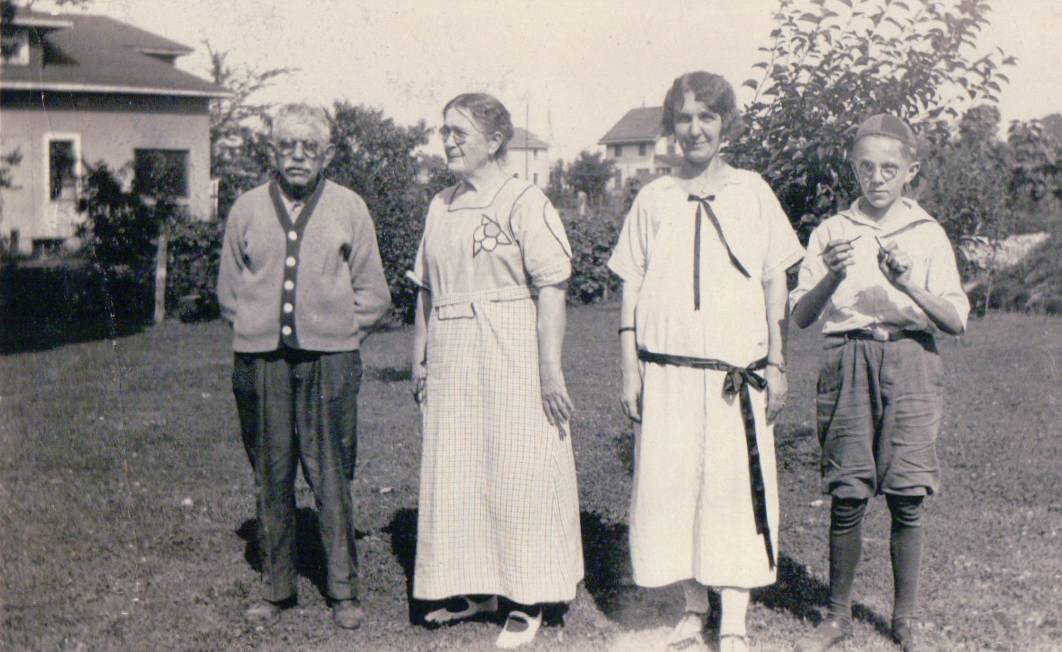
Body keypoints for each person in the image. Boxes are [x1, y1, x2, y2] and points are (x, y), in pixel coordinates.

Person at [607, 71, 804, 652]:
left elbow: (775, 281)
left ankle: (734, 618)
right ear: (671, 127)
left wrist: (777, 361)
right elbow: (630, 285)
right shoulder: (653, 198)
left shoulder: (753, 192)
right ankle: (693, 608)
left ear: (725, 125)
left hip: (734, 377)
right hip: (667, 373)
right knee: (674, 490)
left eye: (707, 117)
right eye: (685, 118)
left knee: (733, 491)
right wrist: (629, 367)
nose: (695, 130)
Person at [407, 92, 583, 649]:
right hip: (452, 351)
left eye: (459, 132)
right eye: (444, 131)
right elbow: (425, 290)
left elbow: (552, 287)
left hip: (510, 349)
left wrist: (549, 370)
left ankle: (526, 596)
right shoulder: (440, 205)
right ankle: (476, 587)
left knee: (516, 466)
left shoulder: (525, 200)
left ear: (496, 140)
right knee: (460, 468)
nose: (448, 141)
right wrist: (420, 357)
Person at [790, 114, 969, 652]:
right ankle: (837, 615)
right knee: (848, 493)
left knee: (908, 493)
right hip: (848, 357)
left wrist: (909, 283)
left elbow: (956, 320)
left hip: (912, 359)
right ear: (853, 168)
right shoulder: (831, 232)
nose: (877, 178)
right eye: (866, 167)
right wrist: (832, 274)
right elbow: (802, 315)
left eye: (890, 168)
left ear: (910, 171)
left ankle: (904, 618)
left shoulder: (927, 233)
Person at [216, 103, 391, 629]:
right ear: (272, 152)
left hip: (330, 364)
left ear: (327, 154)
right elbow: (230, 292)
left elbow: (374, 293)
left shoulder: (349, 207)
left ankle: (343, 590)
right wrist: (258, 332)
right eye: (287, 146)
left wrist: (337, 334)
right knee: (270, 473)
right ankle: (277, 589)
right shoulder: (246, 208)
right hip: (261, 363)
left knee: (331, 473)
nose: (297, 156)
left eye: (308, 147)